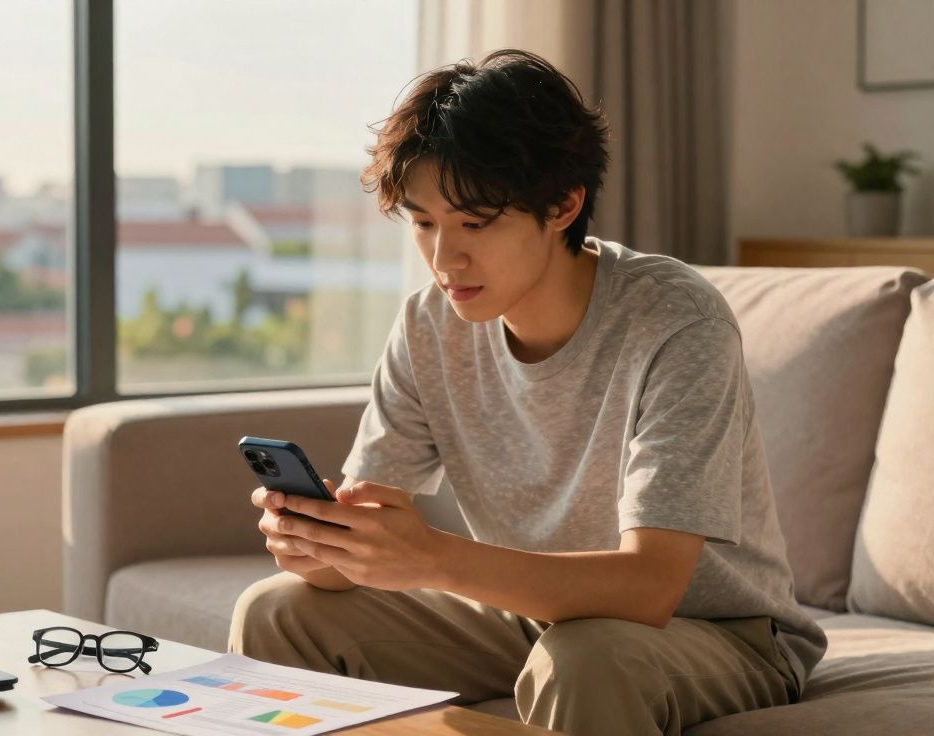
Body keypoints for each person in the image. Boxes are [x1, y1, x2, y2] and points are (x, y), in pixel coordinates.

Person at [227, 49, 827, 736]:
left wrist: (429, 556)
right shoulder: (430, 326)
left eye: (475, 224)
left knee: (585, 658)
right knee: (278, 611)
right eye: (424, 223)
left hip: (721, 632)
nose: (445, 258)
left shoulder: (678, 323)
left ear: (564, 204)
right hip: (530, 615)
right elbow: (374, 527)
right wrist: (325, 546)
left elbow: (652, 586)